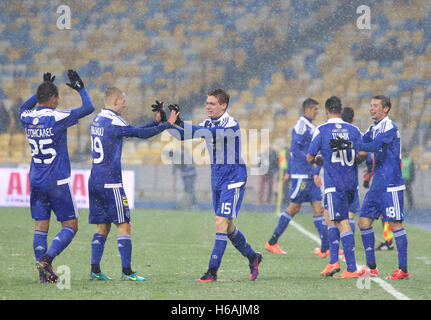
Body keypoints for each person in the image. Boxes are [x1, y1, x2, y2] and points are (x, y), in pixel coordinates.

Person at [163, 89, 262, 282]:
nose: (207, 106)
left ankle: (212, 272)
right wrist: (165, 122)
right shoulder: (207, 122)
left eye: (212, 103)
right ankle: (253, 257)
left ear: (223, 106)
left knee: (220, 223)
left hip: (233, 178)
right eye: (207, 103)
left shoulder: (231, 124)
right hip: (217, 178)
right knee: (228, 227)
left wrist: (180, 122)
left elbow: (203, 133)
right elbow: (182, 136)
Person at [88, 90, 178, 281]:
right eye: (123, 101)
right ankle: (127, 272)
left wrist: (156, 122)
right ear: (114, 101)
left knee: (103, 226)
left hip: (95, 179)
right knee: (124, 225)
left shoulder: (97, 119)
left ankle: (95, 270)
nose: (125, 104)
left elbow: (133, 130)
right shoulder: (114, 121)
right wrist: (167, 124)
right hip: (111, 182)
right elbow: (141, 134)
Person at [20, 70, 95, 283]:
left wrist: (41, 89)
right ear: (53, 99)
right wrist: (81, 89)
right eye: (56, 98)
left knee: (40, 227)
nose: (57, 102)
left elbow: (23, 107)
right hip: (57, 182)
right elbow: (89, 108)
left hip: (36, 180)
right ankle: (47, 259)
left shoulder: (27, 117)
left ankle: (43, 276)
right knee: (70, 226)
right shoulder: (57, 116)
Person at [332, 95, 409, 279]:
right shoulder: (374, 127)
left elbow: (373, 145)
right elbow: (361, 138)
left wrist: (349, 144)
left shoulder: (389, 126)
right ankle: (372, 267)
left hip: (391, 184)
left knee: (395, 224)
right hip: (377, 186)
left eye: (375, 106)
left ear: (386, 108)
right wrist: (341, 134)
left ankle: (403, 270)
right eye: (371, 106)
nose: (371, 109)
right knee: (363, 222)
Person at [308, 99, 366, 278]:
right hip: (351, 183)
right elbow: (363, 153)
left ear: (326, 111)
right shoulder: (354, 130)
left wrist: (320, 160)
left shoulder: (322, 130)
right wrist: (352, 161)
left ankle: (351, 268)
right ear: (341, 110)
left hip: (335, 184)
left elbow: (310, 156)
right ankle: (333, 262)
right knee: (329, 217)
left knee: (341, 221)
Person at [265, 98, 328, 257]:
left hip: (309, 175)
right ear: (307, 109)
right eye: (315, 109)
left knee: (318, 208)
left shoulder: (309, 126)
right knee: (294, 208)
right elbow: (294, 149)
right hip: (301, 175)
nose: (317, 112)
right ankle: (272, 242)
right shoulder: (301, 125)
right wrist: (310, 159)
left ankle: (325, 247)